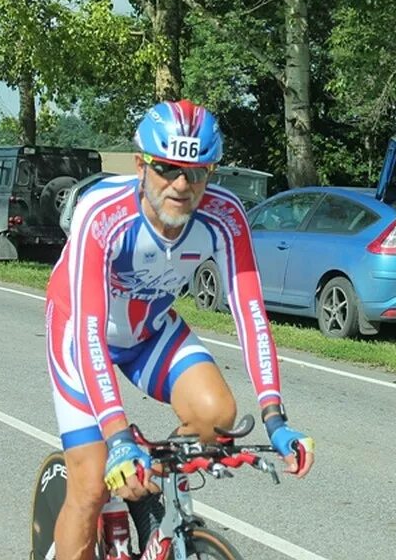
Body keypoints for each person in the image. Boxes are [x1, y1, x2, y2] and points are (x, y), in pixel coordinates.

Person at [45, 99, 315, 559]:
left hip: (150, 330)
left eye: (197, 172)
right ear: (140, 165)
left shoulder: (224, 216)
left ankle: (148, 490)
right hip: (80, 336)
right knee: (90, 484)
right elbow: (90, 332)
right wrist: (116, 438)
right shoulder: (102, 213)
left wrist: (275, 417)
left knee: (217, 414)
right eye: (167, 168)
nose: (181, 184)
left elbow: (250, 314)